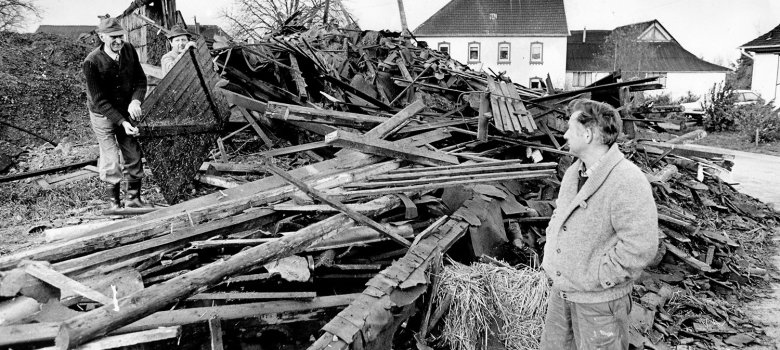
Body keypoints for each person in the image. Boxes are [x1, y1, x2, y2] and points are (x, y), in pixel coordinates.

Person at [540, 99, 658, 349]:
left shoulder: (627, 179)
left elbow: (641, 246)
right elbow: (559, 217)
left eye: (570, 128)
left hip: (599, 304)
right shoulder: (574, 172)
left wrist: (598, 276)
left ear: (588, 133)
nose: (564, 134)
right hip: (563, 294)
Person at [83, 16, 149, 208]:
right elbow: (100, 100)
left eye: (120, 35)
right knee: (111, 158)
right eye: (113, 37)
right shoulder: (91, 62)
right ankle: (114, 203)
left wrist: (135, 101)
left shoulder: (129, 50)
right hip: (102, 115)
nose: (118, 41)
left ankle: (133, 200)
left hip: (126, 111)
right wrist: (122, 121)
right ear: (102, 37)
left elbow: (140, 81)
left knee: (133, 154)